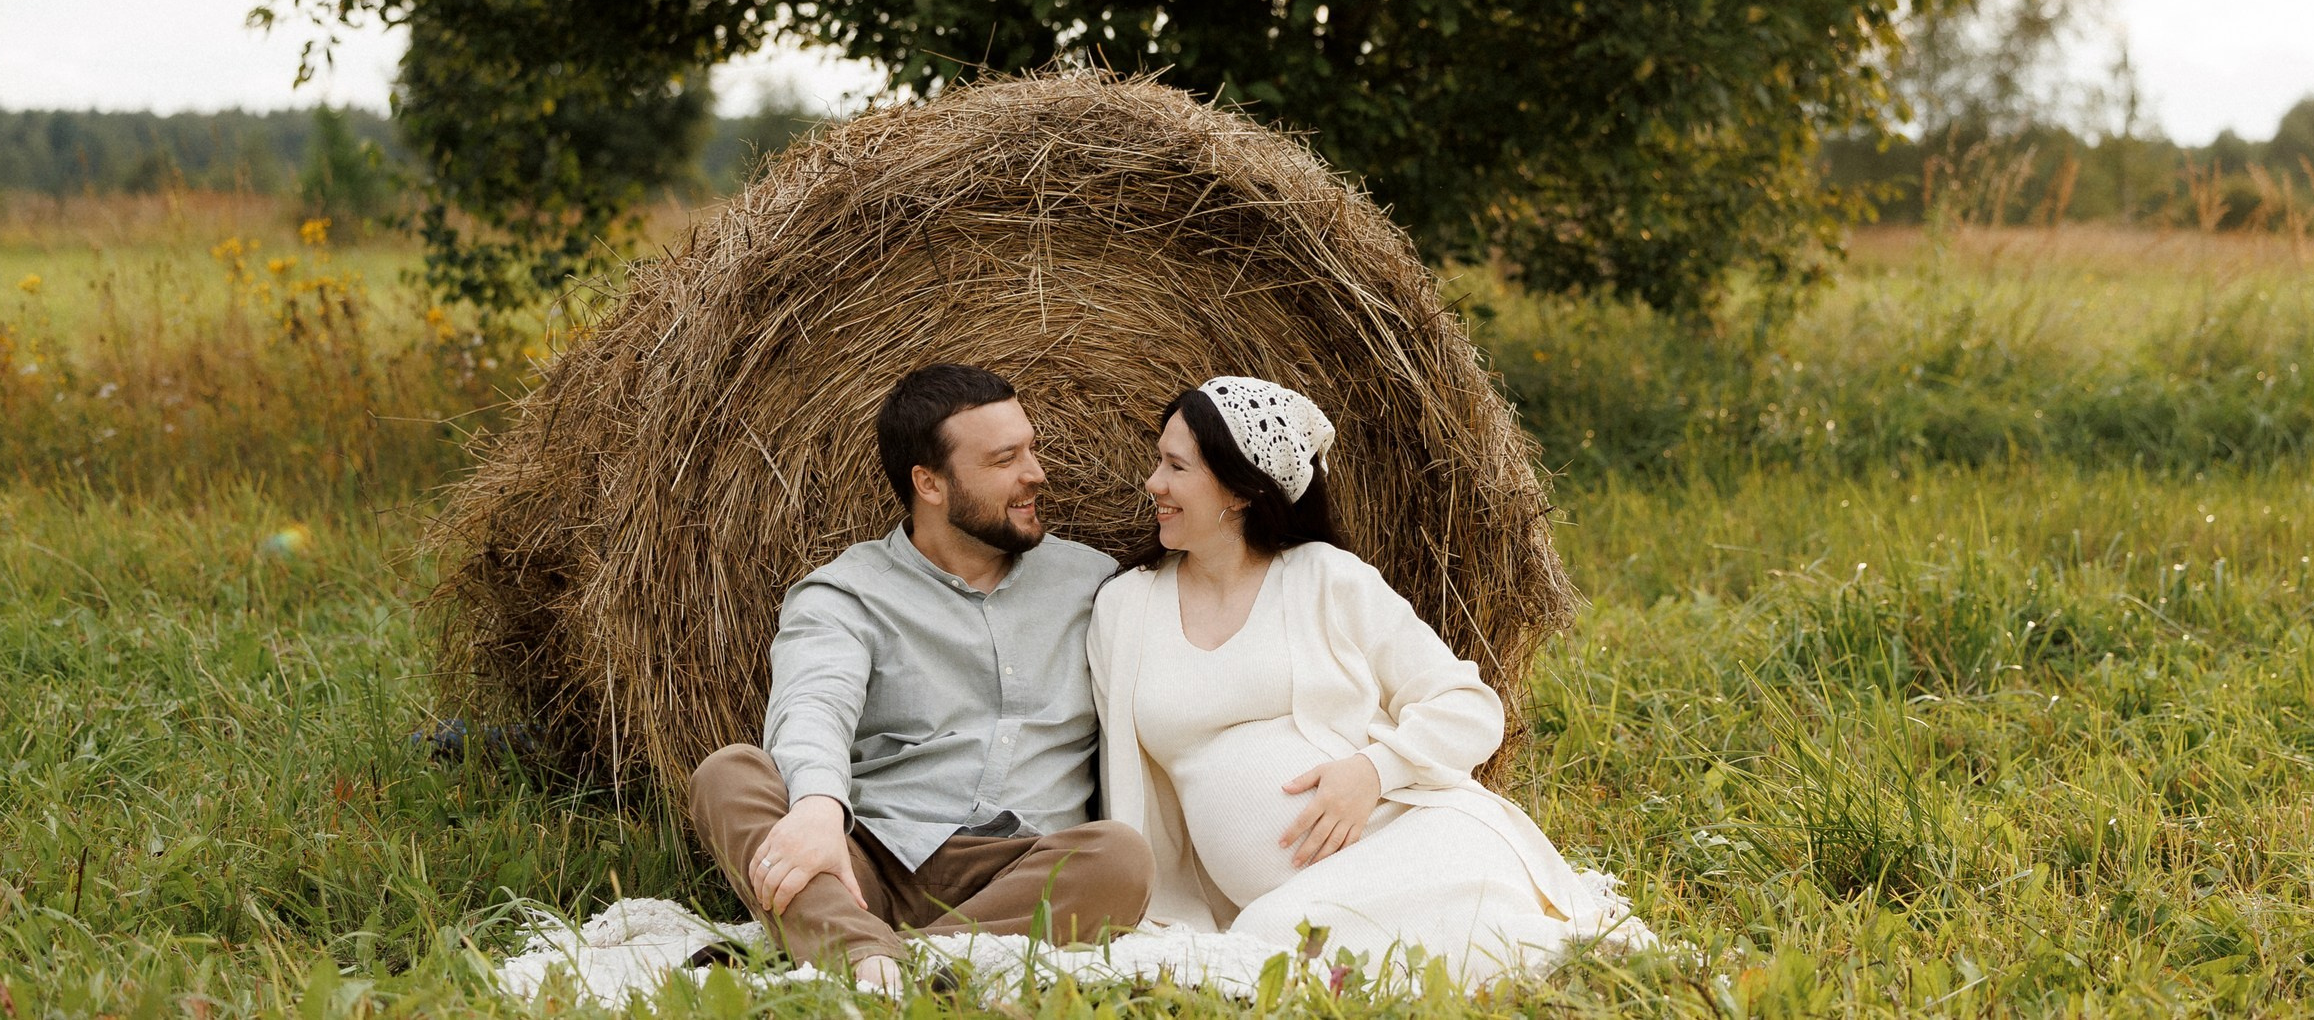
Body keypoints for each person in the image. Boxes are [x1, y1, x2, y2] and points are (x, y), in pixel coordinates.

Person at [1088, 376, 1651, 984]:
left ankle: (1551, 949)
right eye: (1158, 461)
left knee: (1275, 942)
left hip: (1410, 838)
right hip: (1274, 900)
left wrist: (1371, 772)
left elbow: (1469, 706)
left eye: (1176, 466)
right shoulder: (1125, 609)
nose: (1153, 483)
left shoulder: (1327, 579)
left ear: (1242, 487)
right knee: (1268, 938)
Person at [689, 363, 1154, 990]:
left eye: (1031, 449)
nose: (1035, 474)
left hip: (1021, 867)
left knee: (1120, 859)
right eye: (1004, 459)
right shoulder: (847, 594)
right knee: (729, 775)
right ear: (928, 483)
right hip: (868, 859)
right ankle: (895, 954)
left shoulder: (1095, 583)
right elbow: (813, 705)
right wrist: (821, 808)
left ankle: (862, 955)